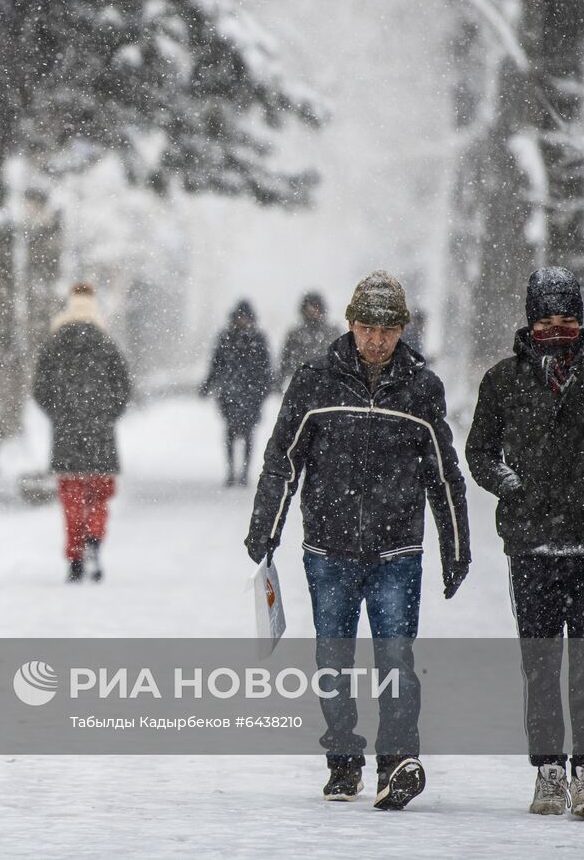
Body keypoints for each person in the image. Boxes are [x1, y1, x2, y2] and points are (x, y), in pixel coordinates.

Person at [245, 270, 470, 810]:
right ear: (350, 324)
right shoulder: (314, 381)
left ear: (402, 330)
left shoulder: (421, 387)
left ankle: (396, 761)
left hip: (397, 549)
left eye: (387, 329)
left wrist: (455, 546)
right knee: (332, 660)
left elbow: (443, 472)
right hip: (329, 548)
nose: (376, 339)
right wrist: (266, 527)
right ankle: (343, 758)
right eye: (367, 327)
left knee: (396, 657)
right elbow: (283, 458)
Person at [465, 266, 584, 821]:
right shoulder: (501, 381)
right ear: (529, 320)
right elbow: (478, 453)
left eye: (567, 317)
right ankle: (548, 770)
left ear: (581, 319)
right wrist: (510, 486)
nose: (557, 327)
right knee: (540, 664)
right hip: (530, 545)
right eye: (546, 318)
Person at [33, 283, 132, 583]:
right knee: (99, 496)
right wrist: (105, 414)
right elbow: (123, 388)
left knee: (72, 496)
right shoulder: (106, 343)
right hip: (99, 433)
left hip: (66, 433)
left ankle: (75, 555)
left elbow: (39, 388)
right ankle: (94, 541)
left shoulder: (54, 344)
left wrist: (60, 413)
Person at [199, 301, 273, 486]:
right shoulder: (226, 338)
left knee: (248, 434)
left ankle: (244, 472)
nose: (243, 320)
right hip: (230, 394)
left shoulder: (258, 338)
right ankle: (232, 470)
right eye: (240, 317)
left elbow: (266, 368)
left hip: (251, 395)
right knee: (231, 433)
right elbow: (216, 364)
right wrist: (208, 385)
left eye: (246, 317)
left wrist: (265, 388)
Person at [278, 291, 339, 391]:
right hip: (301, 386)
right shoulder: (294, 334)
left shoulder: (332, 332)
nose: (313, 311)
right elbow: (285, 363)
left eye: (316, 306)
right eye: (309, 307)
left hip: (328, 386)